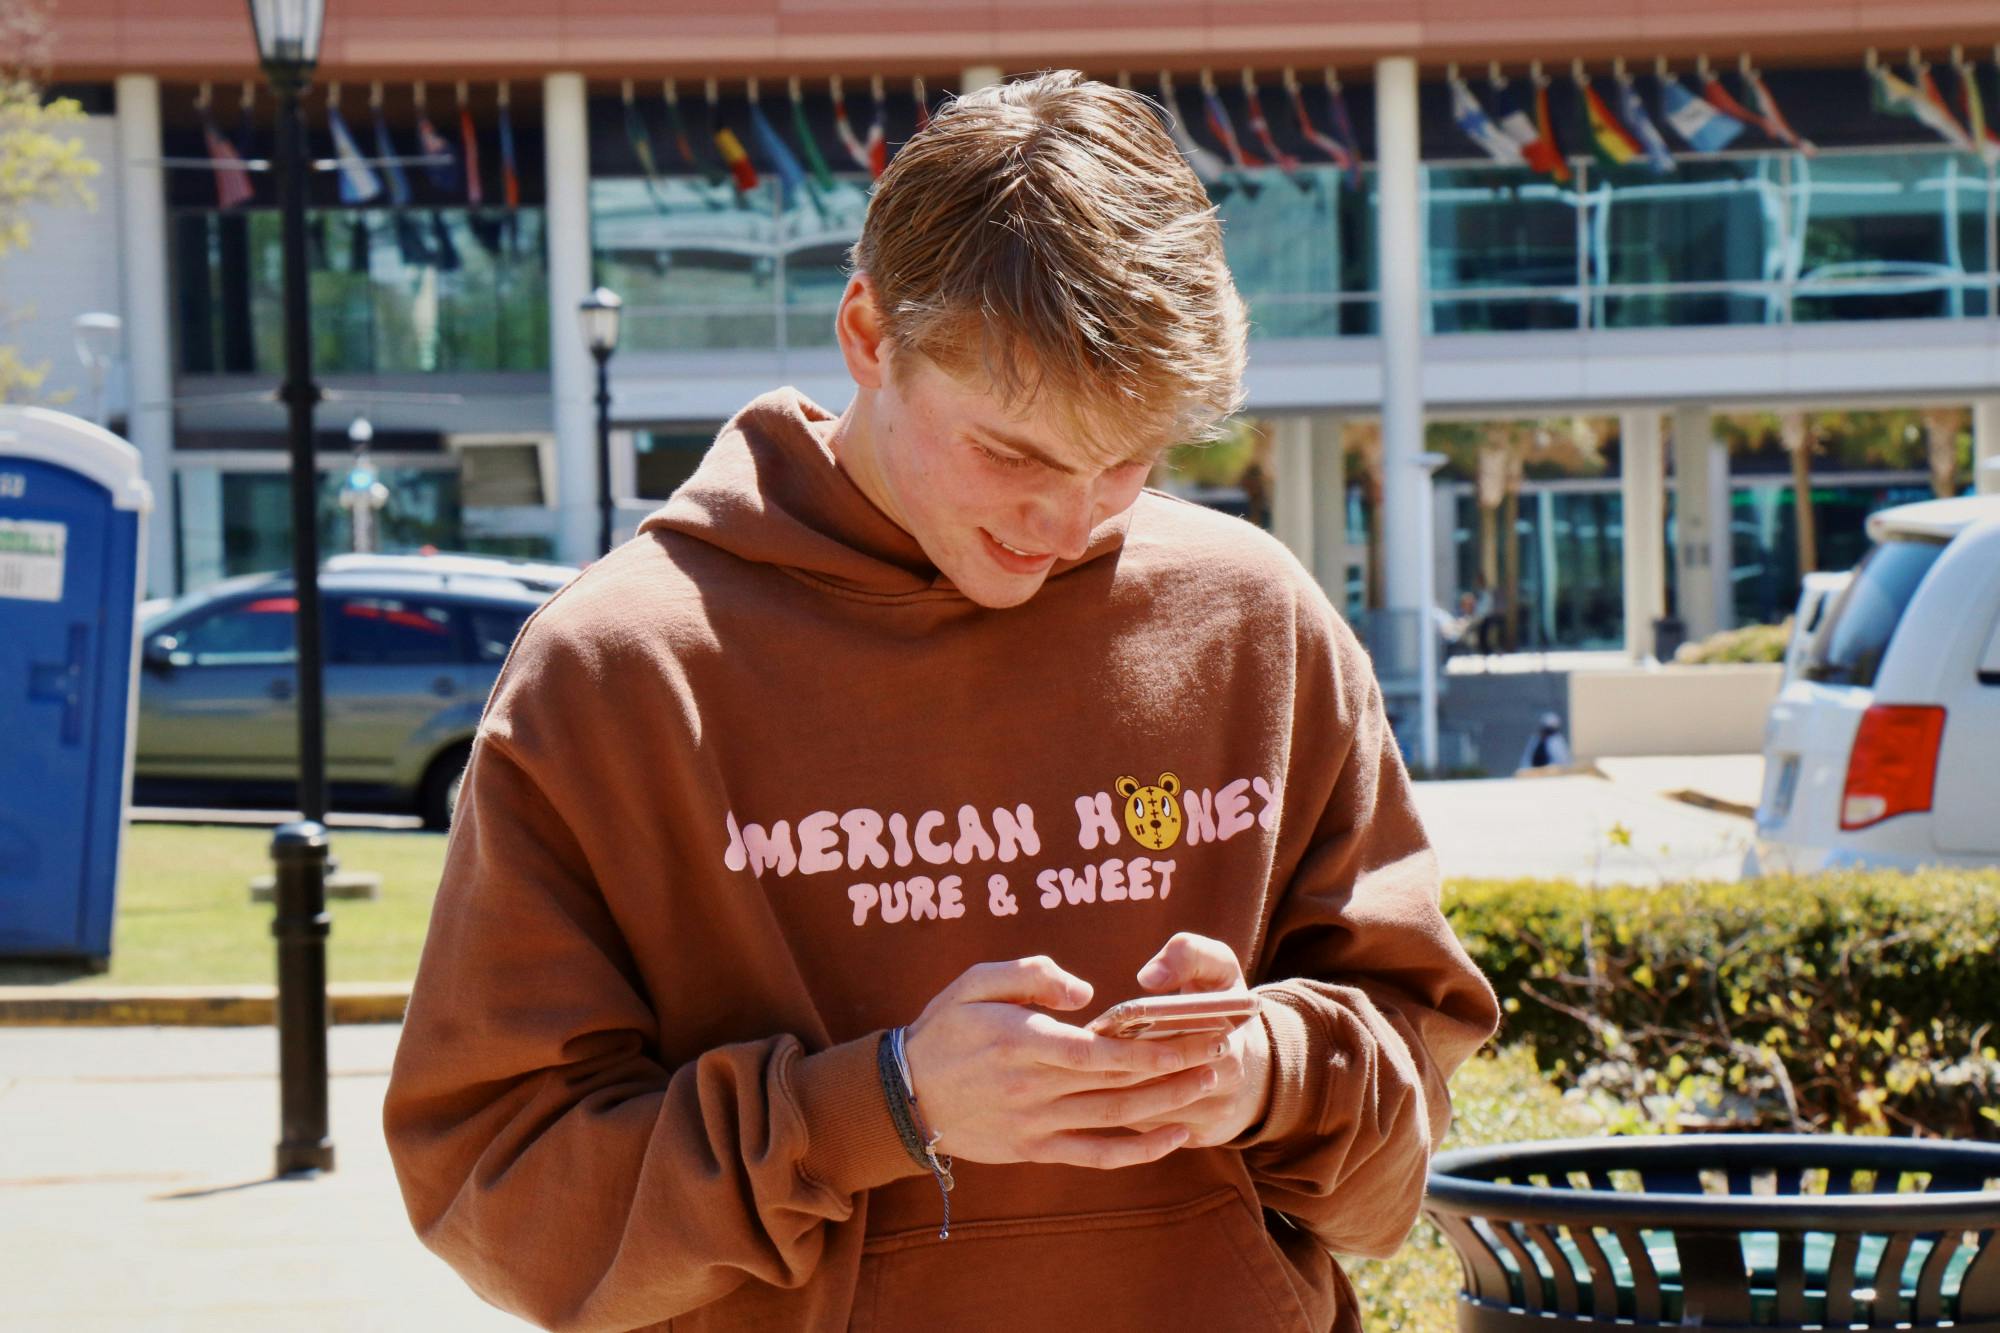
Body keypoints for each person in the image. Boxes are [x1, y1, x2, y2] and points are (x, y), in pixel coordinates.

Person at [383, 71, 1499, 1333]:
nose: (1067, 520)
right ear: (869, 333)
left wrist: (1266, 1072)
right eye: (1011, 452)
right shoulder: (621, 667)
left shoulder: (1250, 618)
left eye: (1125, 461)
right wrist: (884, 1105)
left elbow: (1411, 1085)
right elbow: (496, 1186)